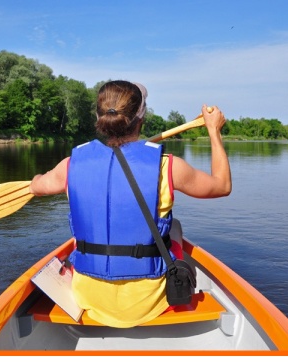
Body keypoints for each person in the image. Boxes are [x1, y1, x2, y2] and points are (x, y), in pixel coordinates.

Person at [29, 80, 231, 328]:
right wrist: (214, 131)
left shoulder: (69, 165)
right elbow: (221, 186)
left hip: (89, 298)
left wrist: (36, 180)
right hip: (148, 303)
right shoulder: (167, 166)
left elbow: (37, 187)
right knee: (174, 226)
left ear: (99, 117)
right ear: (141, 119)